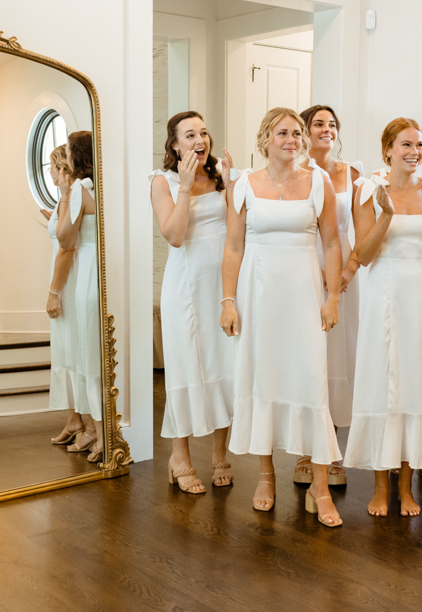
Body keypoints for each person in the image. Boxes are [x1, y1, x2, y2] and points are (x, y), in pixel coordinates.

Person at [221, 107, 344, 527]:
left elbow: (331, 243)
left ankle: (321, 487)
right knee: (263, 378)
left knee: (312, 382)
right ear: (265, 139)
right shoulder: (243, 185)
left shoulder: (318, 181)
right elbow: (233, 247)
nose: (291, 139)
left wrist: (332, 298)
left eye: (296, 133)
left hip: (305, 296)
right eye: (282, 133)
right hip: (259, 297)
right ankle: (266, 476)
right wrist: (227, 300)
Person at [343, 118, 422, 517]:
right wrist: (384, 215)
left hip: (421, 296)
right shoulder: (367, 188)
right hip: (384, 293)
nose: (414, 151)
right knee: (386, 385)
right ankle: (380, 486)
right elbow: (362, 256)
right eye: (406, 144)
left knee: (415, 384)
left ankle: (406, 485)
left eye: (419, 145)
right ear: (388, 149)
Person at [151, 112, 235, 494]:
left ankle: (220, 454)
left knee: (225, 364)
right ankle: (179, 457)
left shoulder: (221, 176)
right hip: (185, 288)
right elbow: (174, 236)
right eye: (190, 134)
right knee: (186, 368)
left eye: (203, 131)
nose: (200, 138)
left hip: (222, 287)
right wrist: (184, 187)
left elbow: (239, 229)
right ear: (174, 145)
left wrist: (233, 184)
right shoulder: (162, 181)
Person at [293, 104, 360, 487]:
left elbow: (359, 228)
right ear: (304, 131)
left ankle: (331, 446)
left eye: (332, 124)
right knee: (309, 354)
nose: (326, 129)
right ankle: (305, 447)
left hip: (347, 268)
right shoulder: (296, 172)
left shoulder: (352, 173)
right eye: (318, 123)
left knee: (338, 356)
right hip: (306, 265)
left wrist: (346, 270)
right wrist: (319, 272)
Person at [56, 131, 104, 463]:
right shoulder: (105, 186)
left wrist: (63, 202)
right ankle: (101, 431)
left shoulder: (79, 190)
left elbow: (63, 238)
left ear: (77, 157)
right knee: (100, 354)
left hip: (87, 270)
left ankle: (100, 433)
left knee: (89, 355)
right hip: (105, 268)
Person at [45, 146, 91, 448]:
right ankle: (73, 418)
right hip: (65, 275)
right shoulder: (67, 196)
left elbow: (66, 244)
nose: (50, 173)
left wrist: (54, 292)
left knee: (74, 350)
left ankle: (87, 422)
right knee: (64, 349)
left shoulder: (74, 193)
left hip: (71, 279)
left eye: (52, 167)